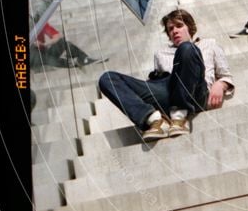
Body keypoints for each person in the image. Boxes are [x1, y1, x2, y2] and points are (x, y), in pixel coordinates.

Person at [98, 9, 234, 141]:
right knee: (107, 78)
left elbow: (226, 75)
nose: (175, 31)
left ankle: (180, 115)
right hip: (168, 90)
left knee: (186, 48)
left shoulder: (209, 44)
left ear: (190, 28)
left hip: (196, 92)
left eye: (179, 26)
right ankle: (153, 119)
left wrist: (220, 84)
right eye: (170, 29)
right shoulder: (160, 54)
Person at [30, 23, 105, 70]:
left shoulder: (38, 22)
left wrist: (45, 44)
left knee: (63, 42)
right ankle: (72, 63)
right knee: (38, 55)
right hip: (32, 59)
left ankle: (84, 58)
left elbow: (58, 36)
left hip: (43, 52)